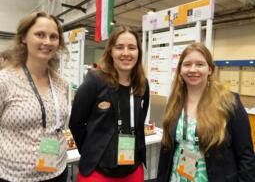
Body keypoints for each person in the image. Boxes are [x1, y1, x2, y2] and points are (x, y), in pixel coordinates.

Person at [157, 43, 255, 182]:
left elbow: (246, 156)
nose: (192, 69)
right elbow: (166, 148)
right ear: (180, 70)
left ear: (210, 69)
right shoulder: (175, 102)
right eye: (187, 64)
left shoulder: (229, 103)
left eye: (199, 64)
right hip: (177, 176)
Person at [69, 26, 150, 182]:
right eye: (120, 47)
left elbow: (140, 122)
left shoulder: (142, 84)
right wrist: (91, 151)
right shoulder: (95, 80)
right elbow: (76, 123)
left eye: (132, 48)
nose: (126, 53)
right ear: (111, 51)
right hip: (98, 172)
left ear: (138, 52)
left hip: (133, 170)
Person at [0, 12, 69, 182]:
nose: (47, 42)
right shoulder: (5, 81)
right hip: (14, 176)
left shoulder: (61, 83)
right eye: (40, 34)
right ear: (23, 37)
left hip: (57, 171)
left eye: (54, 36)